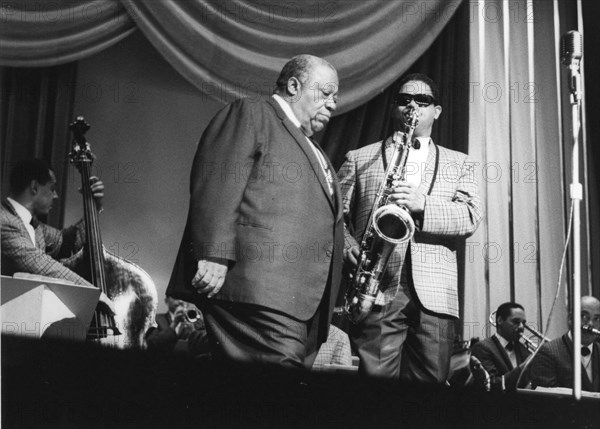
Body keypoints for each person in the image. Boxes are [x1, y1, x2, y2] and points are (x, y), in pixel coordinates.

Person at [167, 54, 344, 369]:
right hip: (258, 292)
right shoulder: (253, 114)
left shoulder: (314, 148)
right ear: (294, 85)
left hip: (298, 304)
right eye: (325, 93)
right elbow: (218, 177)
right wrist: (215, 253)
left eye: (335, 97)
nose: (332, 104)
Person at [338, 73, 483, 383]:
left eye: (422, 101)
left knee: (428, 401)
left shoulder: (461, 163)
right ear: (395, 108)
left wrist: (423, 204)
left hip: (435, 296)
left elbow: (471, 217)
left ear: (437, 111)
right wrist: (347, 244)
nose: (412, 106)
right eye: (404, 100)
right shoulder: (359, 158)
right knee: (375, 397)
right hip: (376, 287)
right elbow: (334, 216)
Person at [1, 158, 113, 310]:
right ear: (34, 187)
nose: (55, 196)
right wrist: (94, 294)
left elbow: (69, 242)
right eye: (52, 188)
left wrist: (93, 205)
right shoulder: (4, 220)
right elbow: (41, 264)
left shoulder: (34, 226)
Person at [530, 295, 600, 392]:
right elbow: (546, 401)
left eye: (597, 318)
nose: (591, 324)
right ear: (570, 319)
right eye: (584, 316)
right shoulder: (548, 352)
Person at [471, 302, 532, 390]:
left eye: (524, 323)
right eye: (516, 321)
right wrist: (524, 366)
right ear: (500, 320)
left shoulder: (524, 350)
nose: (521, 327)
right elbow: (492, 384)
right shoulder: (482, 348)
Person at [145, 296, 210, 358]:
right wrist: (173, 326)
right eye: (176, 297)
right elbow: (150, 344)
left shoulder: (197, 320)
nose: (181, 301)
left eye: (184, 298)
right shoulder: (156, 320)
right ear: (166, 301)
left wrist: (194, 329)